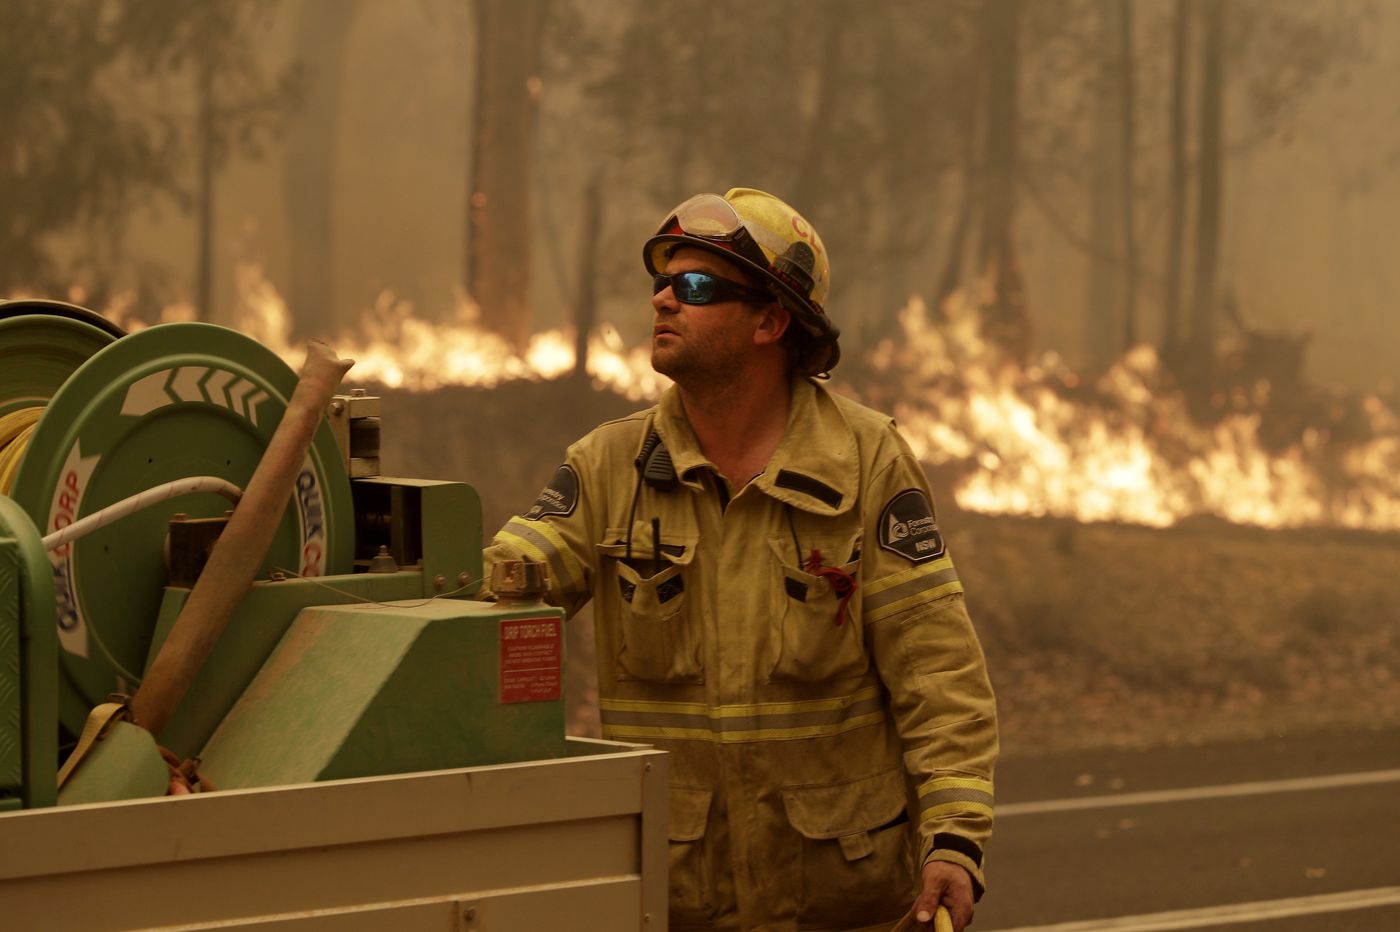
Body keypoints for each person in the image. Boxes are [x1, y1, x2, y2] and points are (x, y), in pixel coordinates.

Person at [480, 188, 997, 932]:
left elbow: (938, 671)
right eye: (660, 283)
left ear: (770, 320)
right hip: (675, 897)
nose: (663, 299)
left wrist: (953, 838)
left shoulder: (866, 461)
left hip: (842, 900)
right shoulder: (607, 467)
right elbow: (497, 601)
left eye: (695, 286)